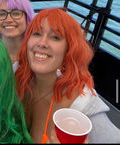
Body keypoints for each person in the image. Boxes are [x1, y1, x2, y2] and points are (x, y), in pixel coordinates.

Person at [15, 8, 120, 143]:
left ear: (69, 50)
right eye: (36, 33)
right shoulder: (16, 76)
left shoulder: (84, 105)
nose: (42, 43)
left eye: (55, 37)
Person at [0, 0, 35, 72]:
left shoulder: (37, 53)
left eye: (16, 13)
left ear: (27, 18)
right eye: (2, 14)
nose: (8, 20)